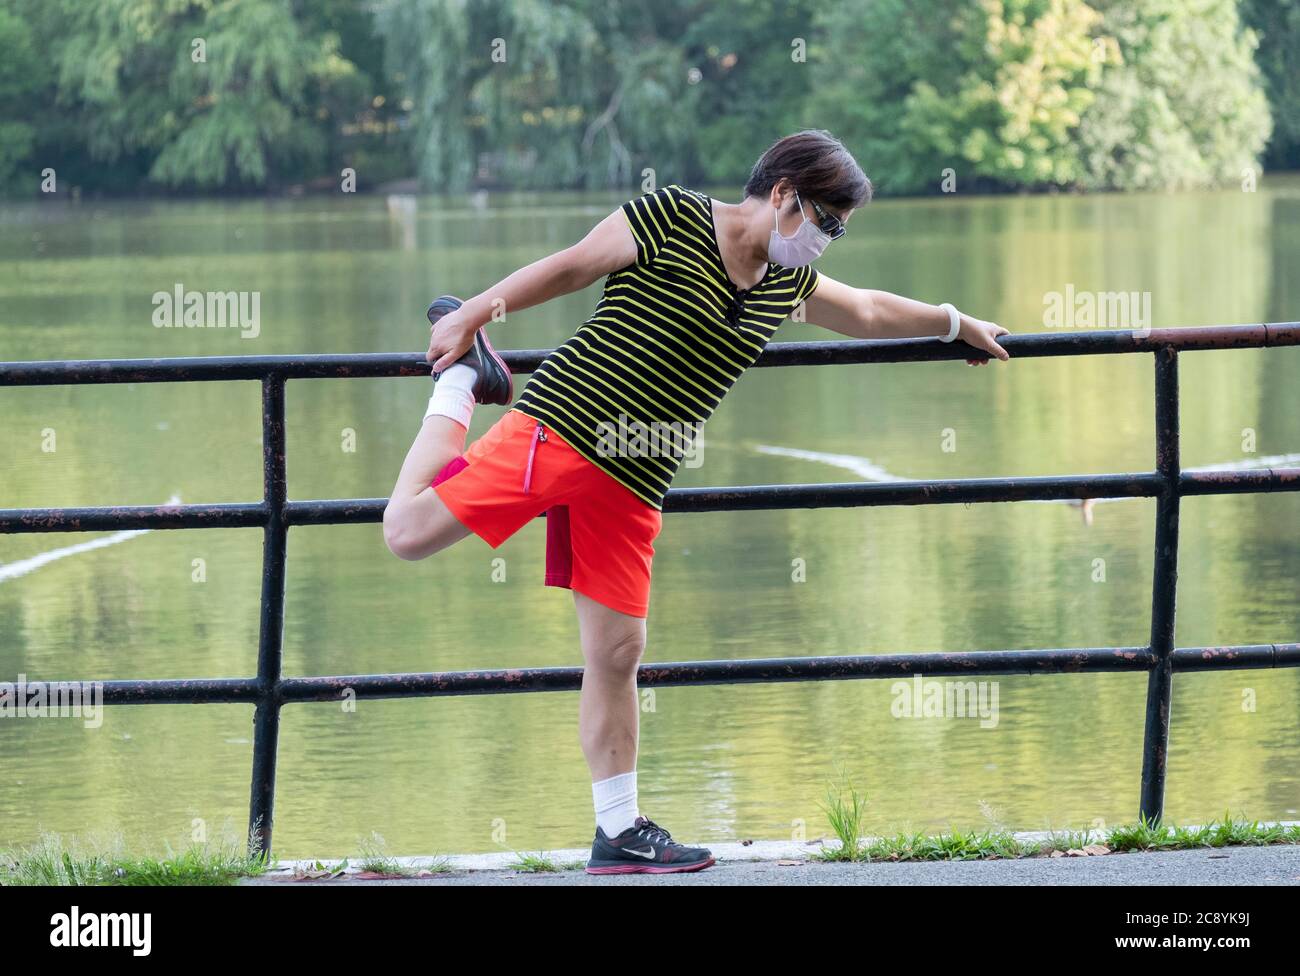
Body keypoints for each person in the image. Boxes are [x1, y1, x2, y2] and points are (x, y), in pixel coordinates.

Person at [382, 129, 1010, 875]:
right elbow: (572, 267)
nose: (827, 241)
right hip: (569, 425)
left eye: (839, 229)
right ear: (784, 195)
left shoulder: (785, 285)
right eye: (827, 222)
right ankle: (465, 384)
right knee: (408, 531)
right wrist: (474, 317)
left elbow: (870, 311)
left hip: (638, 473)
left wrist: (955, 323)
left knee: (618, 651)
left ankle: (618, 831)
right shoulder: (672, 216)